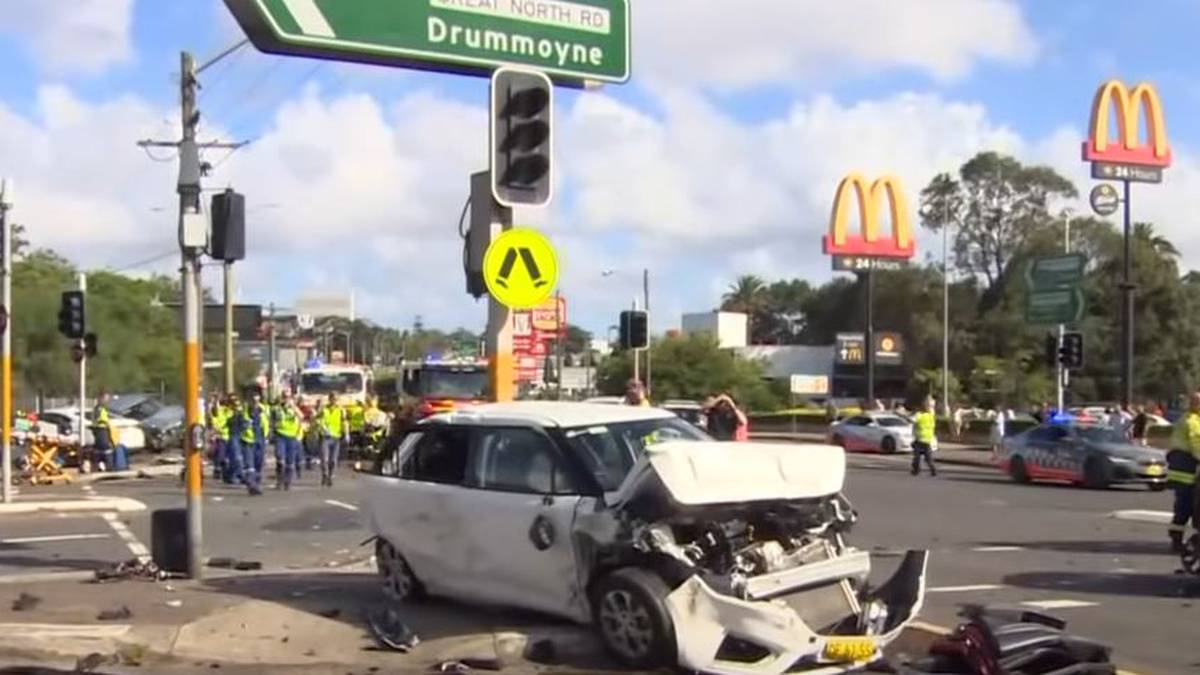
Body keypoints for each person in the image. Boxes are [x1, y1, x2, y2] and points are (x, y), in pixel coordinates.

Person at [1166, 392, 1200, 553]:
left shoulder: (1188, 418)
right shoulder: (1191, 421)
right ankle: (1177, 540)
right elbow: (1197, 445)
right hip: (1186, 468)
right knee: (1186, 505)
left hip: (1182, 466)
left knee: (1185, 505)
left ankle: (1177, 537)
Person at [273, 391, 304, 490]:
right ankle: (279, 479)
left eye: (288, 397)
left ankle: (288, 482)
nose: (286, 399)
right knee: (280, 458)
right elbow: (271, 419)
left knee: (290, 461)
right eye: (284, 397)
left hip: (292, 436)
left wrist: (293, 407)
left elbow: (301, 417)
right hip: (280, 435)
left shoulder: (294, 409)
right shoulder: (277, 408)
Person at [318, 393, 348, 487]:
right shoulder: (324, 409)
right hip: (325, 437)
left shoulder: (341, 410)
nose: (334, 401)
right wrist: (322, 427)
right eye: (333, 399)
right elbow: (317, 419)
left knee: (333, 460)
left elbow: (344, 422)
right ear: (329, 399)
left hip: (336, 437)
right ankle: (325, 475)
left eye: (336, 399)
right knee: (324, 459)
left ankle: (331, 476)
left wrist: (347, 434)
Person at [911, 397, 938, 477]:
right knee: (922, 458)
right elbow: (913, 420)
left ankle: (920, 470)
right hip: (924, 440)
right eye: (930, 406)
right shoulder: (927, 415)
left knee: (920, 457)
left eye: (932, 406)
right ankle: (921, 470)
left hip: (923, 440)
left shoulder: (924, 415)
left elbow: (912, 420)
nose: (931, 408)